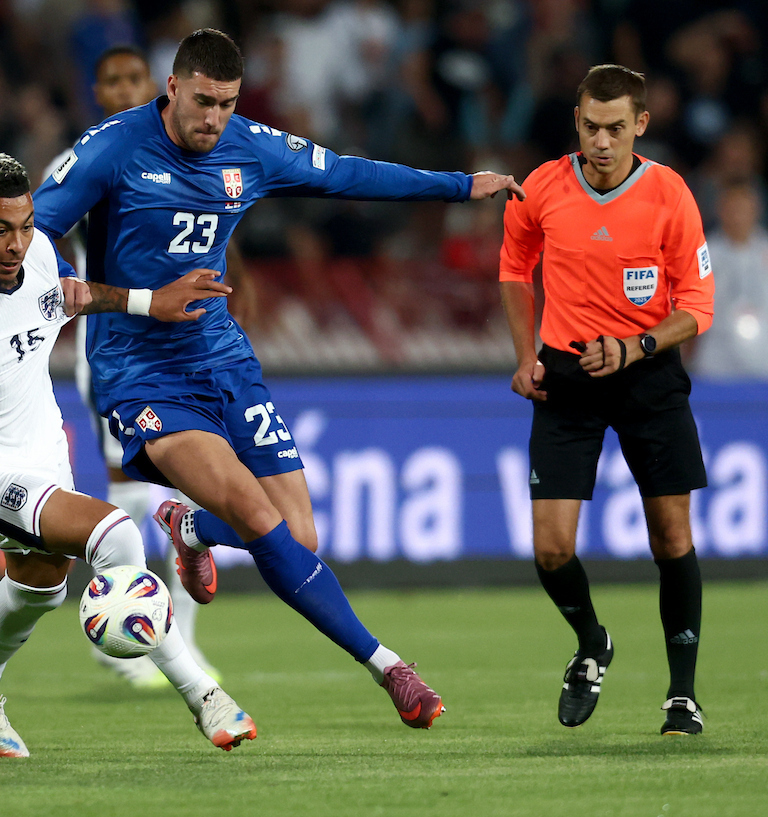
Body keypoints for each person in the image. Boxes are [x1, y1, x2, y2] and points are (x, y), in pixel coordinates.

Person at [34, 28, 523, 730]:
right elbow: (36, 231)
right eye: (202, 101)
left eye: (226, 104)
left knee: (299, 532)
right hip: (140, 373)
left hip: (222, 357)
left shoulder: (250, 147)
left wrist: (458, 186)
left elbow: (348, 174)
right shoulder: (112, 147)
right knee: (260, 517)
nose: (213, 118)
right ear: (172, 88)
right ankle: (390, 667)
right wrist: (104, 292)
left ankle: (189, 527)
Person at [0, 151, 257, 756]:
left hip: (44, 459)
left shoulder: (34, 254)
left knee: (41, 583)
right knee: (116, 534)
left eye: (26, 225)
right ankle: (204, 696)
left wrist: (148, 301)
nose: (17, 244)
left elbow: (68, 296)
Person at [499, 65, 714, 735]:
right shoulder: (542, 186)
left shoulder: (670, 194)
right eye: (591, 126)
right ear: (576, 120)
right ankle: (592, 642)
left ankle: (682, 695)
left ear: (640, 125)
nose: (601, 141)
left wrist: (635, 347)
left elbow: (698, 306)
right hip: (567, 376)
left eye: (616, 128)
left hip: (648, 375)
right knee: (550, 549)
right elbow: (514, 267)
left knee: (671, 535)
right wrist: (525, 355)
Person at [44, 44, 246, 689]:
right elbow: (43, 242)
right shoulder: (92, 156)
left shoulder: (198, 153)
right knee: (127, 484)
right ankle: (123, 637)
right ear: (98, 91)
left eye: (135, 77)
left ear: (159, 84)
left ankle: (182, 641)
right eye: (113, 80)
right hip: (118, 348)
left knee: (193, 493)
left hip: (190, 345)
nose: (125, 88)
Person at [693, 183, 768, 379]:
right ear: (720, 210)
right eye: (732, 209)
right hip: (717, 353)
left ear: (756, 209)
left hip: (763, 354)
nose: (738, 216)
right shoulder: (704, 252)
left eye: (743, 209)